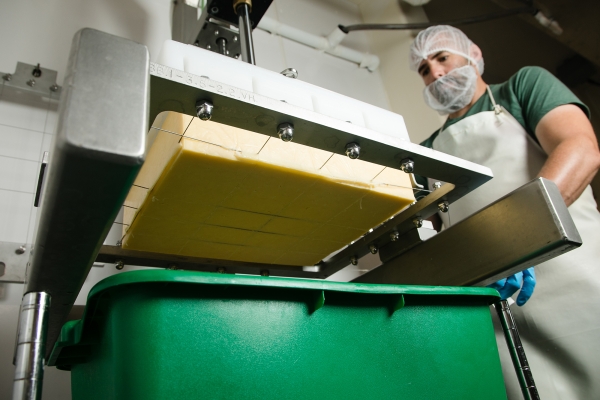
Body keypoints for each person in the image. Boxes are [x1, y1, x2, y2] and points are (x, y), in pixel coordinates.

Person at [409, 25, 600, 399]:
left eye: (442, 57)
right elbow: (422, 231)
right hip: (495, 304)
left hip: (575, 272)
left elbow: (579, 147)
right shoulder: (426, 151)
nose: (435, 73)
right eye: (423, 69)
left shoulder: (521, 87)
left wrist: (525, 237)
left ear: (473, 54)